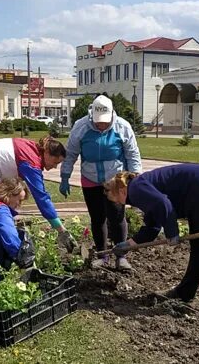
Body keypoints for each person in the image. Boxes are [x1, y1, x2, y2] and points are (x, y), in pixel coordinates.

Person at [104, 164, 199, 309]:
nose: (120, 204)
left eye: (116, 200)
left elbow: (164, 203)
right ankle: (185, 292)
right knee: (198, 247)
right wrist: (129, 244)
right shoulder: (140, 188)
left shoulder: (135, 189)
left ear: (121, 191)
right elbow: (152, 226)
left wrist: (172, 233)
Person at [59, 94, 142, 270]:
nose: (101, 125)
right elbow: (71, 153)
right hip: (90, 179)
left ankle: (121, 257)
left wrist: (135, 178)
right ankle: (102, 256)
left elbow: (132, 154)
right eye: (98, 122)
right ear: (92, 115)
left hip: (116, 180)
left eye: (105, 121)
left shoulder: (122, 127)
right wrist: (65, 176)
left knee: (117, 217)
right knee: (97, 219)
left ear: (112, 114)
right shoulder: (81, 127)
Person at [0, 136, 77, 251]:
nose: (55, 166)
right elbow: (42, 198)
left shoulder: (31, 147)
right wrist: (61, 230)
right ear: (47, 153)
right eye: (56, 161)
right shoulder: (31, 161)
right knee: (0, 212)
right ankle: (4, 250)